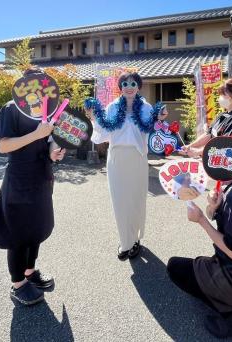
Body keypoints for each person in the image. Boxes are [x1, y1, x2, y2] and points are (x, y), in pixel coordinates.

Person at [0, 69, 66, 306]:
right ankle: (18, 283)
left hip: (42, 176)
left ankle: (30, 272)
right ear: (23, 83)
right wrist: (36, 134)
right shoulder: (10, 108)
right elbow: (3, 146)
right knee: (19, 233)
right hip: (19, 178)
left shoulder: (48, 109)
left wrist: (54, 151)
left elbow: (49, 138)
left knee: (37, 229)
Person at [166, 176, 232, 338]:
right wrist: (214, 207)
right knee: (199, 262)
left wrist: (201, 220)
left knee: (175, 268)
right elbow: (229, 226)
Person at [85, 72, 167, 261]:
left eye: (133, 83)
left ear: (138, 86)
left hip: (137, 158)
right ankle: (125, 242)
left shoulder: (146, 108)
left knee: (137, 200)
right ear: (120, 87)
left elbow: (154, 131)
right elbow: (101, 135)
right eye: (125, 83)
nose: (129, 86)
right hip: (117, 159)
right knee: (120, 202)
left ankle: (136, 238)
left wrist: (160, 118)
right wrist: (94, 117)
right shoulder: (113, 107)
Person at [180, 78, 232, 186]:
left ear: (229, 96)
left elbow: (225, 147)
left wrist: (197, 152)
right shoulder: (223, 115)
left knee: (231, 201)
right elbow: (209, 134)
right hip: (223, 173)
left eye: (220, 95)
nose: (218, 98)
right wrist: (190, 146)